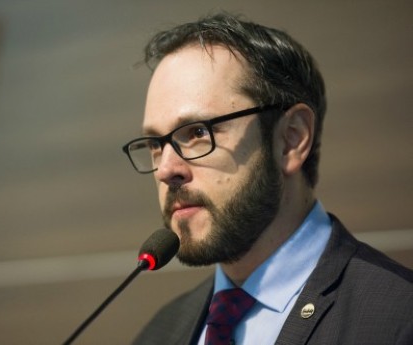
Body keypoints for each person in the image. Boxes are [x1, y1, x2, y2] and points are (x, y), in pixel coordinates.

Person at [121, 11, 413, 345]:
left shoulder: (398, 320)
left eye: (198, 132)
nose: (165, 169)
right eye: (156, 144)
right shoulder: (159, 333)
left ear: (291, 138)